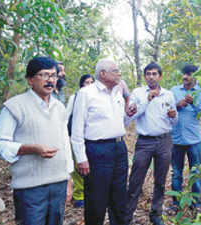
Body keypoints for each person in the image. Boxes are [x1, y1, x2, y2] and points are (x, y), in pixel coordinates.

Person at [0, 56, 74, 225]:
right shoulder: (15, 106)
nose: (50, 80)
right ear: (30, 80)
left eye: (53, 75)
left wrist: (68, 176)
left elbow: (64, 143)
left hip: (58, 183)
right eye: (44, 75)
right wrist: (29, 148)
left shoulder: (59, 107)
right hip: (30, 187)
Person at [71, 58, 131, 225]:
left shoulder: (117, 93)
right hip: (97, 150)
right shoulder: (86, 93)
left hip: (119, 148)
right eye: (115, 70)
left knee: (119, 196)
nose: (119, 73)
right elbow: (76, 129)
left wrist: (129, 113)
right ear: (103, 74)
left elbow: (121, 123)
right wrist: (81, 158)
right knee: (96, 199)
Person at [125, 62, 178, 225]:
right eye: (148, 73)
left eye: (154, 73)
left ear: (160, 76)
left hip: (164, 141)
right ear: (145, 76)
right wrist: (147, 100)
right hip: (144, 142)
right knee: (135, 180)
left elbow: (175, 121)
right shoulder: (138, 93)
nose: (151, 76)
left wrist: (173, 116)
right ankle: (126, 216)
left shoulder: (168, 94)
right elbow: (129, 117)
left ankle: (156, 214)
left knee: (161, 180)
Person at [169, 64, 201, 213]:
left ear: (195, 76)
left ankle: (196, 204)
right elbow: (166, 109)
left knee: (195, 173)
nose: (185, 77)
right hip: (176, 140)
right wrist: (177, 105)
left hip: (194, 140)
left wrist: (194, 103)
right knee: (176, 173)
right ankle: (175, 204)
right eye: (183, 74)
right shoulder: (174, 91)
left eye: (189, 74)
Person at [65, 74, 95, 208]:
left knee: (90, 167)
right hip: (76, 136)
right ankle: (79, 196)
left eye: (91, 82)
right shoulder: (75, 96)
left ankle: (90, 193)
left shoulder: (98, 98)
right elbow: (67, 117)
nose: (89, 85)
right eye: (86, 82)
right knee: (77, 167)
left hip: (91, 138)